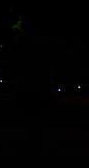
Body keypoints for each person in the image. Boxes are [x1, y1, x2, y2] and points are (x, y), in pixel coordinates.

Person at [8, 14, 58, 142]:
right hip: (40, 84)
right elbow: (52, 62)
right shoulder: (44, 42)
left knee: (27, 110)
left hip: (24, 85)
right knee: (39, 110)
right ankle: (36, 132)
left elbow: (12, 63)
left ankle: (33, 132)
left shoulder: (18, 42)